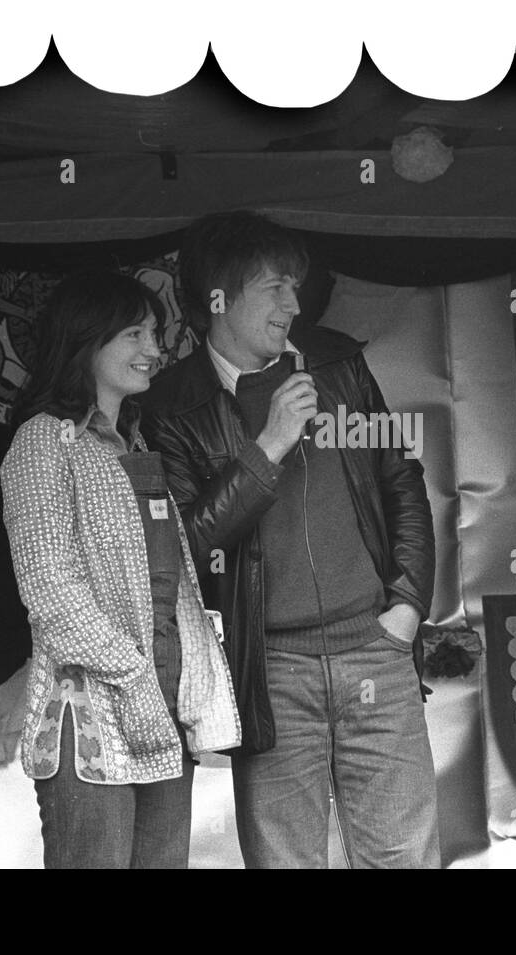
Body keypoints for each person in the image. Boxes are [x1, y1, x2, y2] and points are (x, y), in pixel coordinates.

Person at [142, 210, 439, 868]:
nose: (294, 303)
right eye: (276, 287)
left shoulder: (336, 362)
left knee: (404, 857)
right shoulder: (174, 405)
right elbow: (187, 549)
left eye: (295, 286)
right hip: (268, 667)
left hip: (375, 648)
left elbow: (400, 481)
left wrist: (407, 607)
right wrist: (268, 446)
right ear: (220, 297)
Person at [0, 270, 240, 869]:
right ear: (86, 340)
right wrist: (134, 678)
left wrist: (191, 682)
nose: (153, 351)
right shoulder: (43, 443)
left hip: (164, 707)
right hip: (91, 713)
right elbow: (50, 589)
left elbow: (174, 591)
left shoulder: (135, 446)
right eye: (134, 334)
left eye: (155, 334)